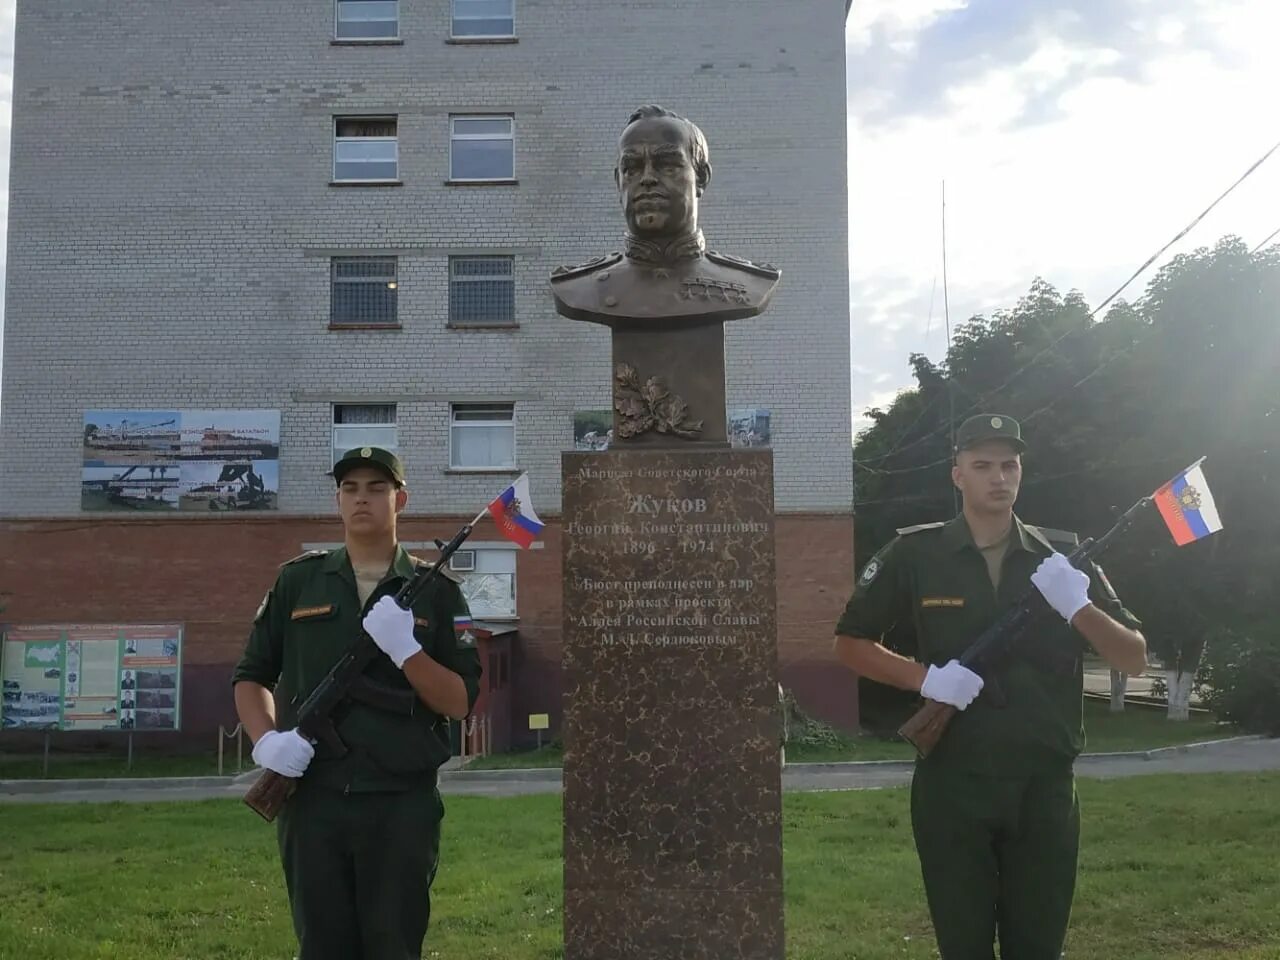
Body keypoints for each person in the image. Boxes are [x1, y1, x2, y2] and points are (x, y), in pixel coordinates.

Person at [833, 414, 1147, 960]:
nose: (998, 477)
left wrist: (1079, 606)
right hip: (954, 783)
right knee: (965, 945)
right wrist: (925, 678)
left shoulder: (1063, 556)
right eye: (982, 466)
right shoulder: (916, 554)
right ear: (957, 475)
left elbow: (1134, 657)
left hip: (1043, 787)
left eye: (1010, 465)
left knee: (1038, 946)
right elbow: (850, 642)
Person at [232, 446, 482, 960]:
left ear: (401, 499)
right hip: (314, 801)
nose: (361, 498)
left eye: (376, 488)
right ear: (338, 501)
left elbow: (459, 702)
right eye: (350, 488)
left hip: (400, 804)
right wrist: (267, 743)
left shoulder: (437, 593)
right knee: (322, 945)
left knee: (394, 944)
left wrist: (407, 651)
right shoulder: (298, 581)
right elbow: (252, 676)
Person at [549, 104, 780, 326]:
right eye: (631, 168)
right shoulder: (578, 287)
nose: (647, 178)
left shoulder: (748, 283)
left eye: (668, 166)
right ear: (618, 181)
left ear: (701, 178)